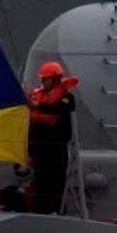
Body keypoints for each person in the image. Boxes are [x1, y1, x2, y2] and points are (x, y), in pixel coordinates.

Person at [27, 61, 79, 214]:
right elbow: (31, 128)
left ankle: (56, 211)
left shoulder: (67, 98)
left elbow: (60, 109)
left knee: (56, 182)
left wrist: (38, 106)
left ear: (56, 79)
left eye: (46, 79)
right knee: (40, 181)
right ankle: (40, 212)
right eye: (42, 79)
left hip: (57, 149)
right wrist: (29, 152)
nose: (43, 82)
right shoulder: (38, 97)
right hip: (39, 149)